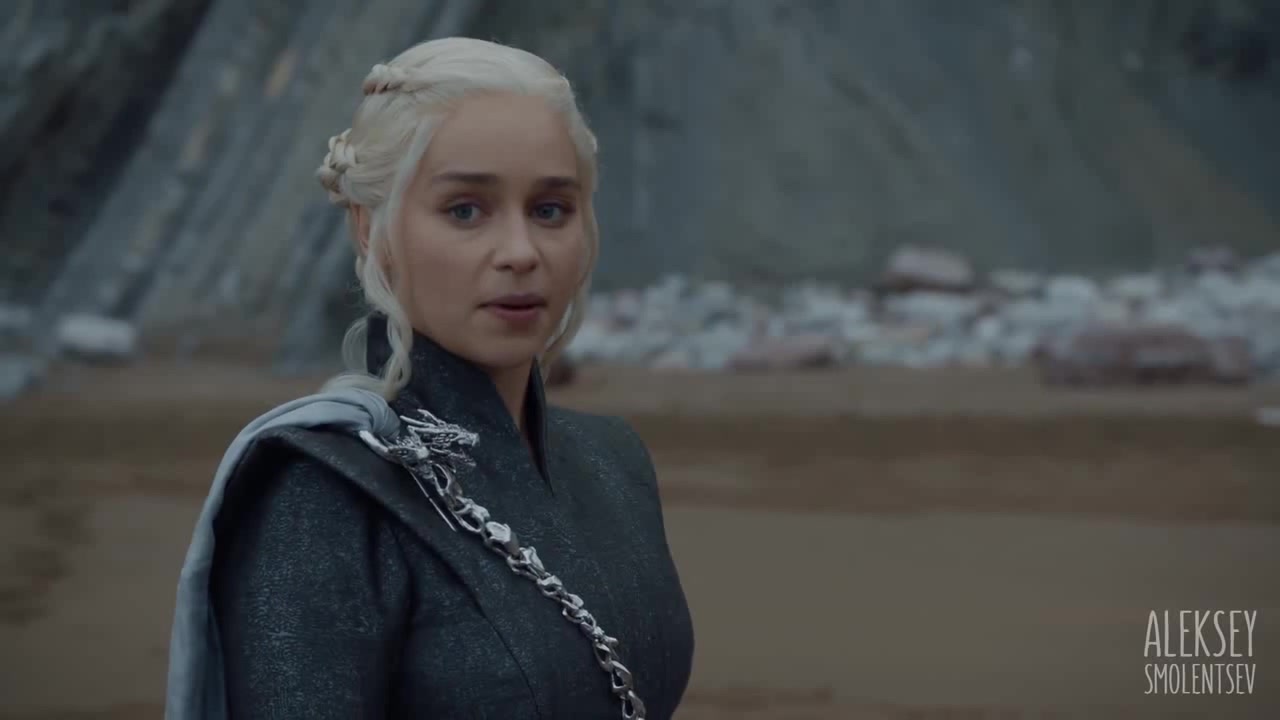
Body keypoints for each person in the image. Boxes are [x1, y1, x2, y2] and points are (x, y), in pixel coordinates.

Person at [164, 37, 694, 720]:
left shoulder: (613, 461)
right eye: (465, 210)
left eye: (550, 210)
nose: (520, 253)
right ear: (371, 229)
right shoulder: (328, 495)